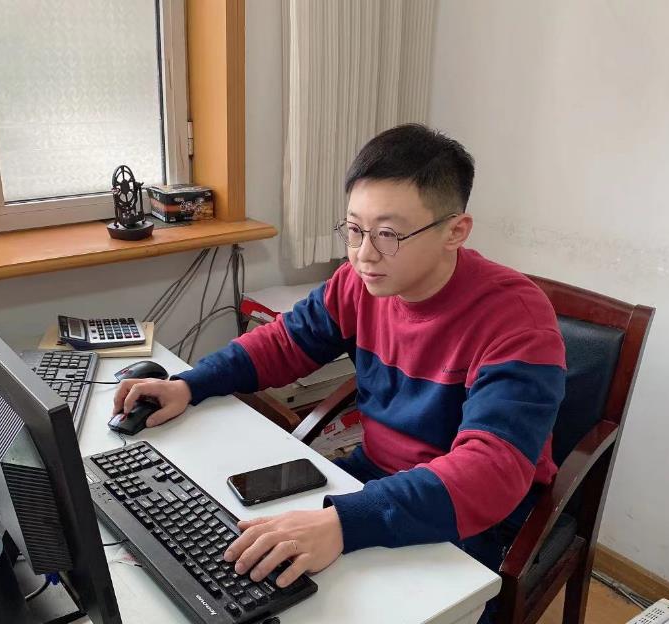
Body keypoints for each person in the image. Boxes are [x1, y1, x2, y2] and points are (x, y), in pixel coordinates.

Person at [113, 124, 566, 621]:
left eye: (389, 234)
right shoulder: (359, 283)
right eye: (354, 229)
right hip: (375, 475)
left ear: (455, 231)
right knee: (251, 567)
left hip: (476, 511)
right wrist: (189, 384)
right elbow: (284, 343)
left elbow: (492, 472)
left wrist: (345, 524)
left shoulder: (516, 318)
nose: (363, 254)